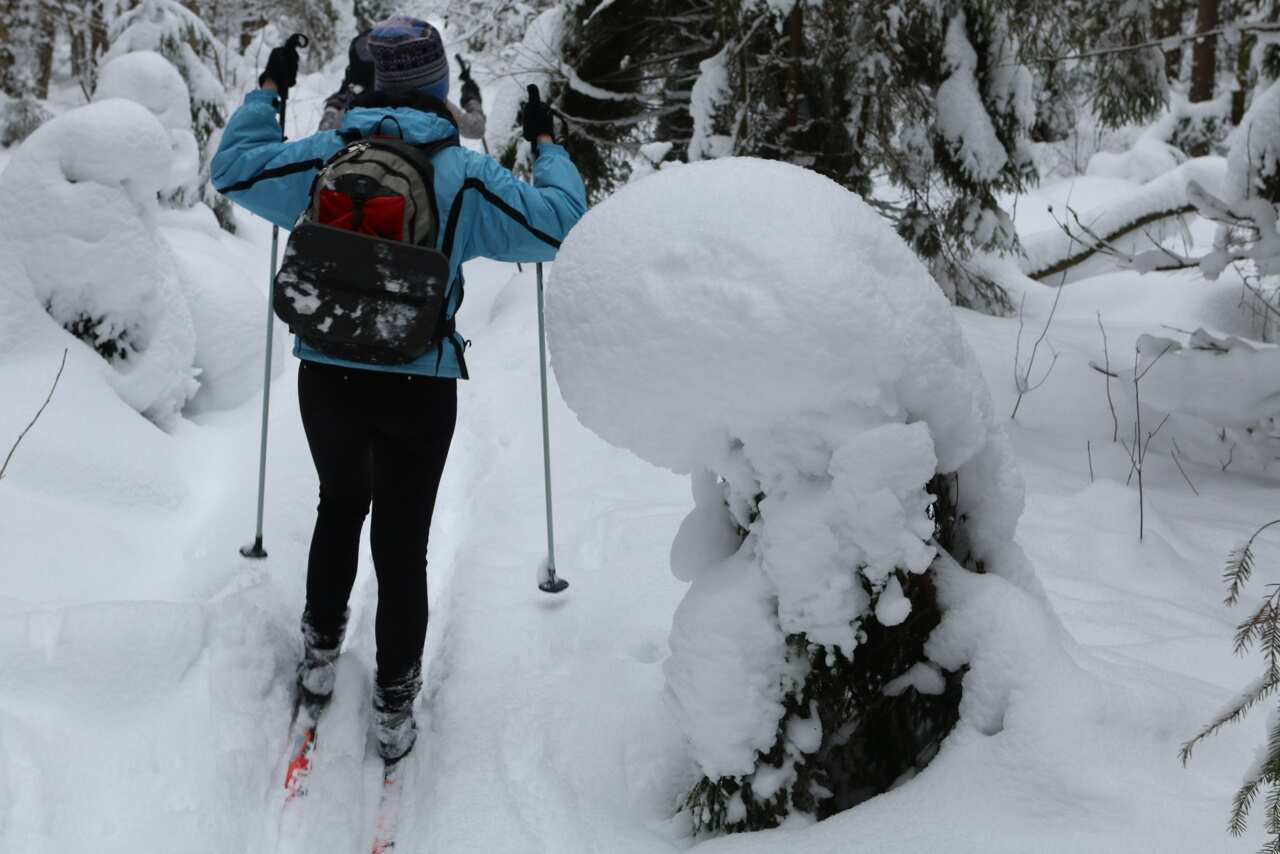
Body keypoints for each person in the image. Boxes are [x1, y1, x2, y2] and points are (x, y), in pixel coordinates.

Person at [211, 17, 586, 765]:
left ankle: (319, 657)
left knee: (339, 505)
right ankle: (392, 706)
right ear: (440, 85)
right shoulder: (464, 176)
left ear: (375, 79)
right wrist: (547, 146)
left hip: (327, 374)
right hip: (419, 386)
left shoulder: (326, 156)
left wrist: (269, 88)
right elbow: (560, 224)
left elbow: (235, 169)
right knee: (402, 540)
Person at [318, 30, 486, 141]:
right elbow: (474, 129)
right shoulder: (428, 99)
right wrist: (471, 97)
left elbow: (323, 135)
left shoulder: (353, 105)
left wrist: (333, 106)